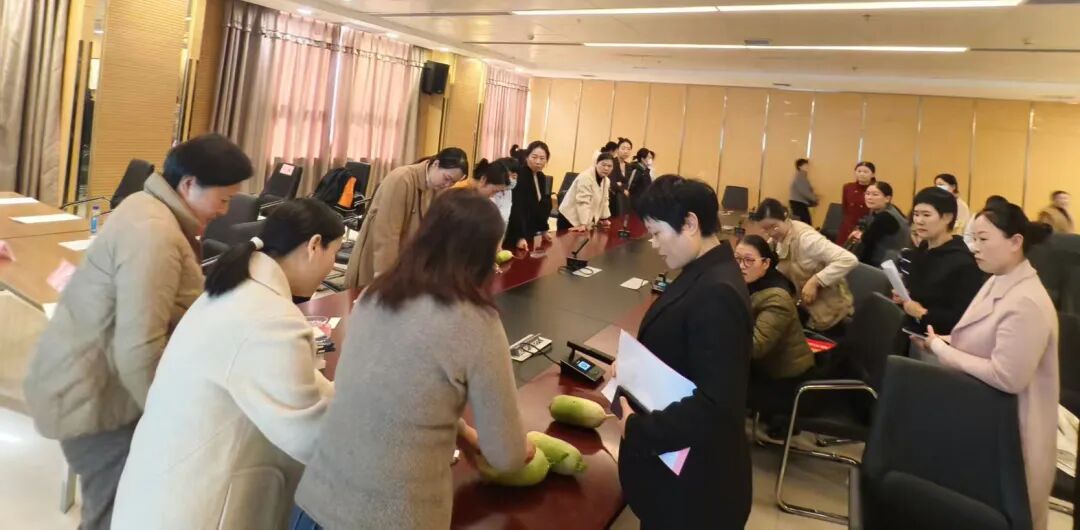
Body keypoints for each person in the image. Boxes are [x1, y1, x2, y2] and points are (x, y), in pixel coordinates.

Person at [22, 134, 253, 530]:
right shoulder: (154, 233)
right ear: (188, 185)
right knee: (113, 515)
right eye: (223, 199)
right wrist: (163, 418)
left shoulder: (146, 205)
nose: (224, 211)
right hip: (101, 399)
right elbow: (138, 347)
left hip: (91, 383)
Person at [293, 189, 535, 529]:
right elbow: (506, 456)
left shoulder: (375, 294)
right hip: (394, 518)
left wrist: (463, 433)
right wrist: (523, 450)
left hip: (316, 502)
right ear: (483, 254)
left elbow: (393, 393)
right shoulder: (477, 322)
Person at [111, 199, 342, 530]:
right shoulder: (271, 320)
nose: (331, 268)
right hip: (196, 509)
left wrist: (341, 395)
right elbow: (311, 437)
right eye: (335, 253)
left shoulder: (233, 289)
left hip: (162, 488)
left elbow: (300, 385)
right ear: (314, 245)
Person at [616, 175, 753, 528]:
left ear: (690, 223)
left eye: (657, 233)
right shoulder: (705, 271)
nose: (654, 244)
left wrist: (637, 429)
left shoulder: (717, 292)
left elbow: (716, 405)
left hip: (696, 493)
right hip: (683, 480)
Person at [919, 202, 1057, 530]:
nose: (974, 248)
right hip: (982, 418)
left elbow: (1007, 376)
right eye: (973, 239)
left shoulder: (1026, 301)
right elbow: (986, 335)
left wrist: (941, 349)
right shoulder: (999, 279)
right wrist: (949, 340)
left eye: (983, 239)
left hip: (1009, 431)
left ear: (1015, 242)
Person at [344, 147, 468, 288]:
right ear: (436, 164)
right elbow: (388, 233)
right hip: (380, 257)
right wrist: (384, 276)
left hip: (404, 259)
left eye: (453, 183)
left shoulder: (434, 187)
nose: (447, 185)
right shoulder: (402, 179)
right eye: (447, 179)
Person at [735, 235, 817, 433]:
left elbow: (755, 347)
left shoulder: (776, 298)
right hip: (763, 371)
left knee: (718, 386)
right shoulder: (750, 285)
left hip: (786, 384)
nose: (741, 266)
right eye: (737, 259)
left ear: (766, 263)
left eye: (749, 260)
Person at [752, 198, 858, 337]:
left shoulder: (806, 239)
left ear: (785, 216)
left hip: (829, 315)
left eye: (774, 226)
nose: (771, 232)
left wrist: (815, 281)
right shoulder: (778, 239)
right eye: (765, 229)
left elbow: (848, 259)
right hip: (804, 309)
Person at [898, 187, 986, 336]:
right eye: (916, 214)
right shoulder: (923, 247)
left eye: (926, 215)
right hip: (911, 329)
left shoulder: (963, 263)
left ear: (947, 218)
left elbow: (962, 318)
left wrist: (922, 313)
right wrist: (906, 295)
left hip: (936, 339)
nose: (919, 221)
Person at [506, 141, 553, 250]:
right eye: (534, 157)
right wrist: (520, 237)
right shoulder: (520, 175)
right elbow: (517, 208)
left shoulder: (541, 177)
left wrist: (544, 230)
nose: (538, 162)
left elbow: (540, 206)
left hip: (530, 229)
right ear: (527, 157)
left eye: (542, 158)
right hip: (516, 230)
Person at [848, 181, 909, 266]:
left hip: (884, 264)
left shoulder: (885, 217)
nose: (869, 197)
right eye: (867, 194)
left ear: (887, 198)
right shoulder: (889, 209)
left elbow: (867, 242)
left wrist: (860, 236)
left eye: (875, 194)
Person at [557, 152, 614, 232]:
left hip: (583, 219)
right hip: (569, 218)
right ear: (596, 164)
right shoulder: (586, 177)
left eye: (609, 166)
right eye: (603, 165)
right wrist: (583, 223)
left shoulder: (606, 180)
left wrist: (604, 218)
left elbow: (604, 200)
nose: (606, 168)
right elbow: (583, 201)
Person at [837, 161, 876, 244]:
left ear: (872, 174)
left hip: (866, 226)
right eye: (859, 171)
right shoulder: (848, 187)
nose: (862, 174)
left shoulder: (876, 189)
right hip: (848, 225)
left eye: (865, 172)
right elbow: (845, 207)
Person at [609, 137, 634, 216]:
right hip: (612, 197)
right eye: (623, 148)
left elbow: (628, 184)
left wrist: (620, 184)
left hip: (623, 198)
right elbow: (612, 183)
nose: (626, 151)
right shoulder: (611, 162)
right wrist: (623, 190)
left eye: (628, 149)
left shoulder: (628, 166)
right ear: (617, 150)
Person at [789, 158, 817, 225]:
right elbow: (804, 191)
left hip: (798, 202)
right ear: (799, 167)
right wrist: (814, 199)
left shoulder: (801, 176)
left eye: (807, 165)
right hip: (798, 203)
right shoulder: (800, 176)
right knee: (805, 224)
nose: (807, 167)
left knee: (801, 223)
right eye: (805, 165)